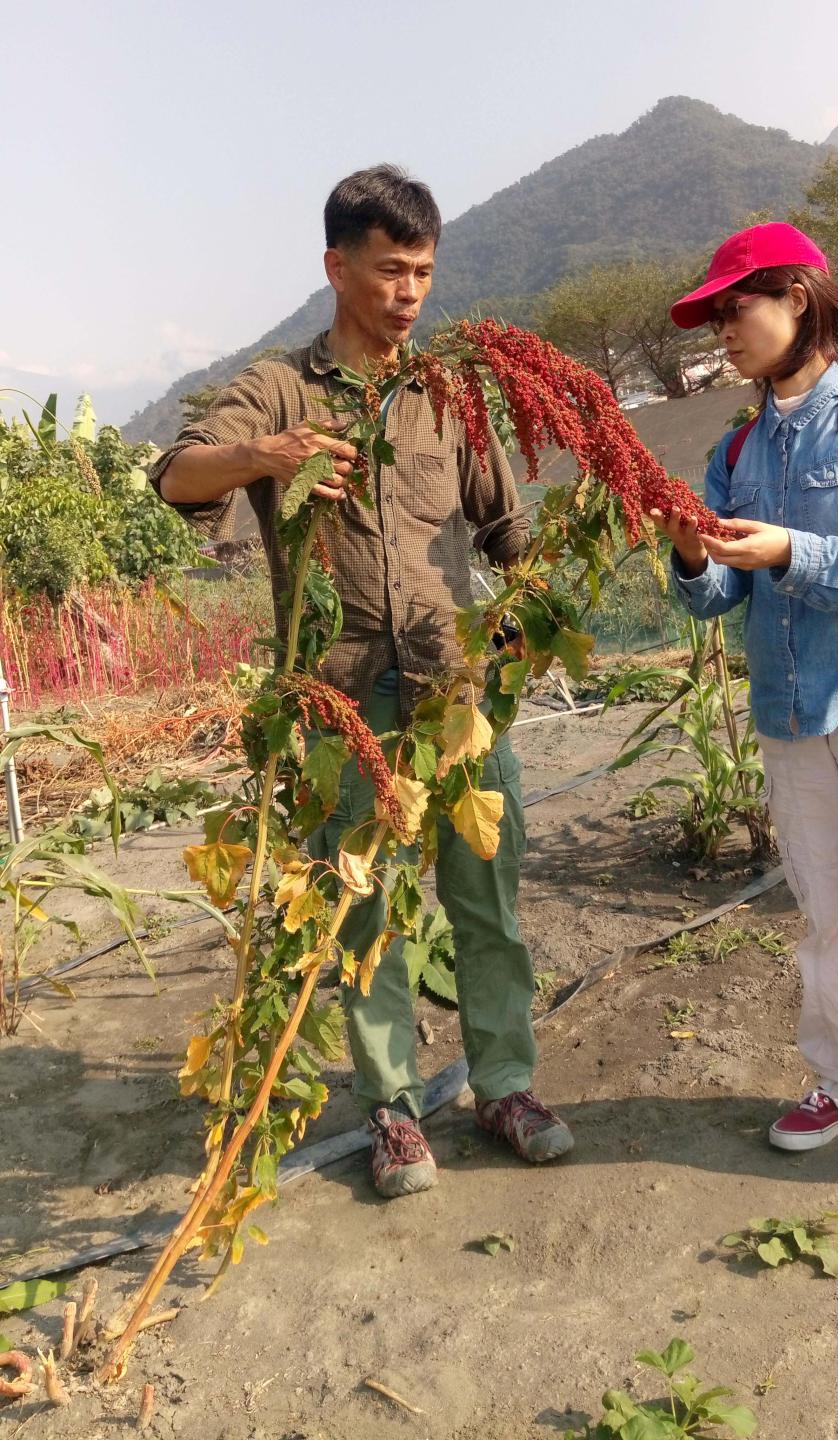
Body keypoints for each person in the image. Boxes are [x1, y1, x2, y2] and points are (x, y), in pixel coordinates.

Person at [150, 164, 573, 1199]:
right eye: (391, 269)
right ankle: (391, 1109)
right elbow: (175, 475)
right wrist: (269, 454)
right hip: (340, 704)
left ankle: (504, 1084)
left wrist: (539, 601)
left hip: (453, 693)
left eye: (423, 271)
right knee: (362, 908)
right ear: (337, 267)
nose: (410, 292)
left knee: (486, 896)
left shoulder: (448, 393)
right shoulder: (281, 389)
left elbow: (507, 532)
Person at [655, 221, 838, 1219]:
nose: (721, 334)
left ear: (797, 297)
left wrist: (793, 552)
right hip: (790, 713)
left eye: (734, 309)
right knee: (830, 916)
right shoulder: (735, 448)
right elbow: (711, 603)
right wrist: (692, 556)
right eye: (712, 318)